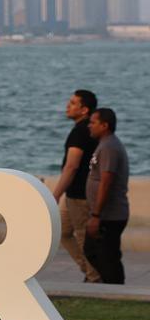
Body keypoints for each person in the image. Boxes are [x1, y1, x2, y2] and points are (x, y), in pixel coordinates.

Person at [51, 89, 101, 283]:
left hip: (79, 194)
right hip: (73, 193)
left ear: (84, 109)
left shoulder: (80, 132)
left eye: (72, 103)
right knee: (62, 232)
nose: (67, 106)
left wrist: (55, 194)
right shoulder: (86, 129)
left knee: (81, 236)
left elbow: (71, 166)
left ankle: (94, 277)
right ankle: (89, 270)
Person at [84, 108, 130, 285]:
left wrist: (96, 215)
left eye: (93, 122)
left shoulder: (109, 147)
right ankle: (111, 284)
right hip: (105, 214)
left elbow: (106, 182)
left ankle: (115, 288)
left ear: (105, 125)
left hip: (110, 215)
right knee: (98, 252)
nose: (89, 125)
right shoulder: (105, 144)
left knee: (105, 255)